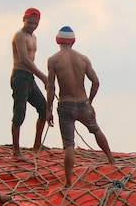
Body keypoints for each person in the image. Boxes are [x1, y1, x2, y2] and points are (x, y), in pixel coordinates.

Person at [46, 26, 116, 187]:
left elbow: (51, 87)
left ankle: (68, 182)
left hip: (65, 105)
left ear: (57, 40)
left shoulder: (53, 60)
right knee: (96, 130)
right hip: (83, 103)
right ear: (74, 41)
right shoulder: (83, 59)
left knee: (69, 144)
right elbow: (96, 82)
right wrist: (89, 101)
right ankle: (111, 160)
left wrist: (48, 110)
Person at [10, 7, 48, 160]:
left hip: (30, 77)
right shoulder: (19, 35)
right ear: (23, 19)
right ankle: (16, 151)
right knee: (19, 113)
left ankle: (37, 144)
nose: (32, 25)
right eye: (30, 22)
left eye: (35, 23)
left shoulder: (34, 37)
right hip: (20, 76)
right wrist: (43, 77)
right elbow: (24, 60)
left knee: (44, 108)